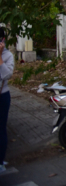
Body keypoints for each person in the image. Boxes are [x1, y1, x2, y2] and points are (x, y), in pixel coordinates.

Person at [0, 27, 14, 173]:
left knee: (1, 129)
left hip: (2, 96)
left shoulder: (8, 55)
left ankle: (0, 162)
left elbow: (6, 75)